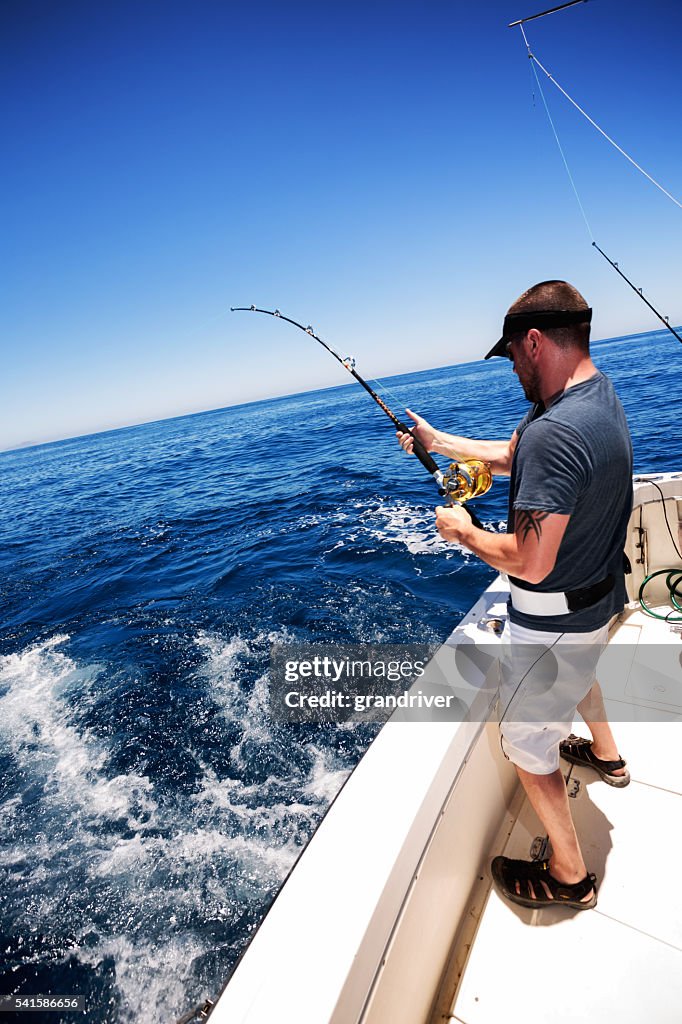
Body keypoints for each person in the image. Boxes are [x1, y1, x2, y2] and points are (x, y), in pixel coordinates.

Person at [397, 280, 633, 911]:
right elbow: (515, 455)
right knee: (580, 674)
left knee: (527, 741)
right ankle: (608, 758)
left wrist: (466, 532)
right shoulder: (596, 397)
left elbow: (530, 559)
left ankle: (569, 874)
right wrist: (438, 442)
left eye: (513, 358)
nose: (513, 372)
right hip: (600, 599)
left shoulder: (556, 429)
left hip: (555, 615)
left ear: (534, 341)